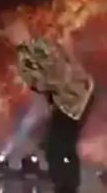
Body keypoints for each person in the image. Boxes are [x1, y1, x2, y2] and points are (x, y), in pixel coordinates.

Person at [5, 19, 94, 193]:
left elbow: (51, 75)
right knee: (60, 144)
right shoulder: (31, 51)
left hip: (73, 98)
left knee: (57, 145)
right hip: (70, 98)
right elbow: (38, 82)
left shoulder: (41, 47)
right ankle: (67, 183)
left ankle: (66, 184)